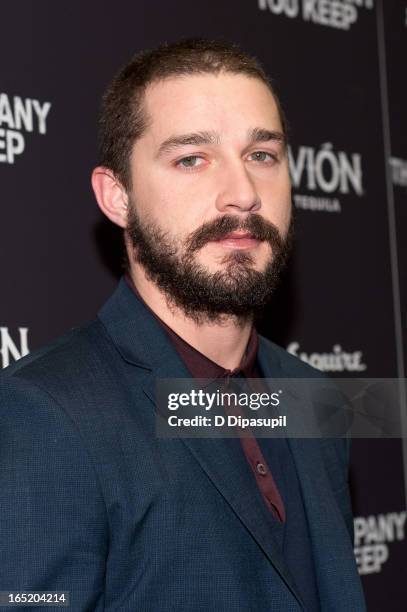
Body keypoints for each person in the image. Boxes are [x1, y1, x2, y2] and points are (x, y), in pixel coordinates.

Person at [0, 39, 365, 611]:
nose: (242, 193)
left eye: (262, 155)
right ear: (117, 198)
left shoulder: (314, 396)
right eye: (191, 159)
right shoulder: (43, 413)